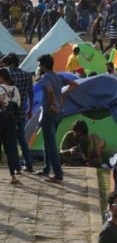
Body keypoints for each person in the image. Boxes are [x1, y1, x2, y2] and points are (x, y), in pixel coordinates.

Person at [36, 53, 78, 183]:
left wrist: (53, 103)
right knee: (48, 142)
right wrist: (62, 95)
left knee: (51, 144)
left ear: (43, 66)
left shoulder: (45, 77)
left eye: (39, 65)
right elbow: (75, 84)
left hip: (50, 113)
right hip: (59, 112)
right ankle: (46, 168)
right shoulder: (58, 76)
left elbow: (49, 91)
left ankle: (58, 174)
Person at [3, 53, 34, 174]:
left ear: (9, 63)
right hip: (22, 112)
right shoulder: (27, 75)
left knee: (11, 141)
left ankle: (17, 167)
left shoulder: (7, 74)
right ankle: (29, 164)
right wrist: (30, 109)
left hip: (8, 113)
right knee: (22, 139)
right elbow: (31, 93)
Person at [0, 68, 21, 184]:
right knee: (10, 150)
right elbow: (18, 105)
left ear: (1, 77)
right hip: (11, 122)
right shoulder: (15, 89)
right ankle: (13, 176)